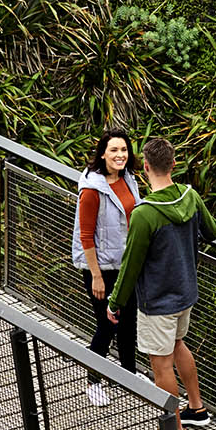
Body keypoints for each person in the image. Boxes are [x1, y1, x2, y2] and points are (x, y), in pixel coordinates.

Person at [107, 136, 216, 430]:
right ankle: (197, 409)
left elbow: (131, 264)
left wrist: (115, 301)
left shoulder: (145, 214)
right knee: (178, 344)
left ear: (144, 168)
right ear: (173, 164)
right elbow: (212, 232)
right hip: (185, 292)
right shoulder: (190, 196)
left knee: (161, 365)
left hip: (158, 301)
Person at [72, 128, 138, 405]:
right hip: (101, 269)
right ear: (102, 154)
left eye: (124, 150)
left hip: (126, 266)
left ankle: (129, 376)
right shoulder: (92, 190)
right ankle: (93, 381)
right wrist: (96, 276)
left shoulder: (129, 179)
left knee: (129, 324)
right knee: (107, 325)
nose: (120, 155)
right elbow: (85, 236)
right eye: (114, 150)